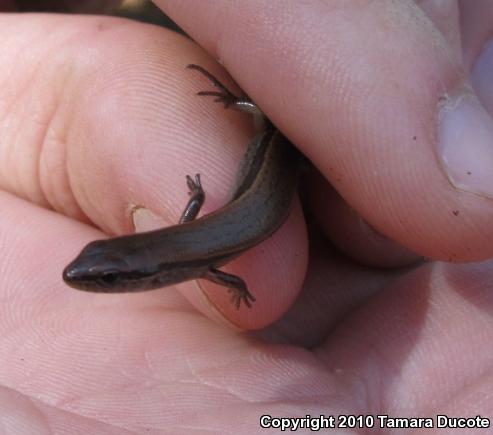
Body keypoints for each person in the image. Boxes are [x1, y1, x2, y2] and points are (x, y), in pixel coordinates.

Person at [1, 1, 492, 432]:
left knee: (269, 119)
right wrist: (229, 268)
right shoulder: (187, 251)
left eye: (109, 278)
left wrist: (233, 275)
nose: (95, 279)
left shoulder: (189, 257)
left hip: (275, 151)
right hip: (267, 169)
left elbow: (209, 253)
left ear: (146, 275)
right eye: (105, 274)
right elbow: (204, 244)